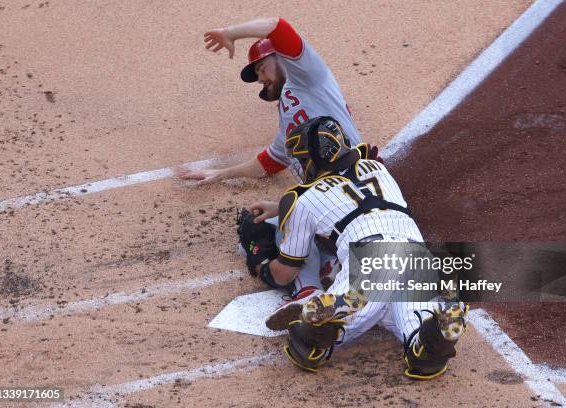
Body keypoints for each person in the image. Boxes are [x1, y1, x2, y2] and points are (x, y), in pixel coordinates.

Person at [240, 116, 467, 379]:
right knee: (416, 339)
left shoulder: (301, 199)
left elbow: (285, 273)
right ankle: (432, 339)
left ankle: (324, 327)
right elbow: (351, 196)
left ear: (313, 160)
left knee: (308, 348)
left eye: (302, 160)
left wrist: (261, 263)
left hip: (371, 259)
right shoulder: (377, 168)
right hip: (418, 256)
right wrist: (282, 209)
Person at [180, 17, 365, 186]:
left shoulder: (308, 74)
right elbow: (272, 160)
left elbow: (278, 27)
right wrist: (222, 174)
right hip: (332, 193)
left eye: (261, 68)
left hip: (361, 176)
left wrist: (230, 33)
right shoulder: (287, 116)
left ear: (282, 57)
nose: (260, 79)